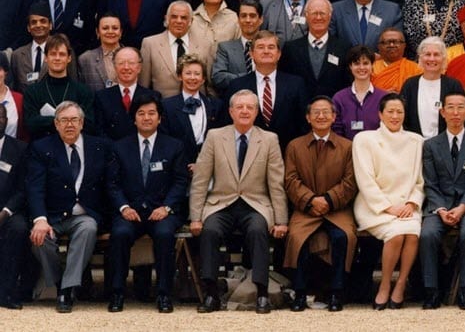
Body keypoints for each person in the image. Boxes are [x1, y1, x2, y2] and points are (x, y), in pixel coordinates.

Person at [189, 89, 288, 314]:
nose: (245, 111)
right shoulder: (215, 136)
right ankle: (211, 294)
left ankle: (262, 293)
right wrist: (195, 217)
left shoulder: (269, 139)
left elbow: (276, 184)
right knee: (210, 231)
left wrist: (281, 220)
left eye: (250, 107)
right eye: (240, 107)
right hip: (221, 203)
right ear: (231, 111)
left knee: (257, 230)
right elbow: (201, 180)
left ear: (256, 111)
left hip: (255, 204)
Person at [27, 101, 114, 313]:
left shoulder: (100, 147)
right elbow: (35, 187)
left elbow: (110, 185)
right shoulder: (42, 148)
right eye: (64, 120)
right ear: (56, 124)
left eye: (74, 120)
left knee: (88, 229)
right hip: (53, 215)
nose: (69, 125)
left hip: (85, 215)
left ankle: (66, 290)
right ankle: (60, 283)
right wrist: (40, 220)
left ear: (82, 123)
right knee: (39, 239)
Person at [105, 95, 188, 313]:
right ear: (134, 119)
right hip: (130, 211)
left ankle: (163, 294)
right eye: (141, 114)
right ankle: (117, 293)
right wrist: (124, 207)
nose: (146, 118)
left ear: (160, 118)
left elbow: (181, 181)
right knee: (120, 234)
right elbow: (112, 183)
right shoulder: (119, 147)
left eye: (152, 113)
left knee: (164, 235)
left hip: (161, 211)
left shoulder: (174, 146)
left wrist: (167, 207)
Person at [283, 96, 357, 312]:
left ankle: (336, 292)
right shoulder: (295, 146)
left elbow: (350, 182)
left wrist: (328, 200)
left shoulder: (347, 147)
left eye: (326, 112)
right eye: (316, 112)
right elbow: (290, 180)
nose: (321, 116)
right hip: (306, 208)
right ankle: (300, 292)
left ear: (334, 117)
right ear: (308, 117)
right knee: (298, 238)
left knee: (342, 237)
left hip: (337, 209)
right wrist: (311, 200)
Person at [352, 92, 424, 309]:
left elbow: (420, 181)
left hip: (406, 205)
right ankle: (384, 285)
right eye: (390, 112)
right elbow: (365, 179)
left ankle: (400, 284)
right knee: (395, 234)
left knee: (412, 233)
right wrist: (387, 207)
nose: (395, 116)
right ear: (380, 114)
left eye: (399, 112)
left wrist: (411, 203)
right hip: (373, 205)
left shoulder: (416, 141)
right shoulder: (364, 139)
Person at [419, 92, 465, 309]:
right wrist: (440, 209)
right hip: (439, 205)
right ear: (442, 112)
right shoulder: (431, 145)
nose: (455, 113)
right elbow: (430, 183)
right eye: (450, 107)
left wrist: (462, 208)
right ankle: (431, 291)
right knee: (428, 234)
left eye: (461, 107)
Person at [21, 34, 93, 140]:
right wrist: (67, 120)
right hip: (44, 147)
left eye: (62, 54)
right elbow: (31, 124)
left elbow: (89, 124)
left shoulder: (83, 91)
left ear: (69, 58)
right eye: (53, 54)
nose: (57, 58)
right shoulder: (32, 91)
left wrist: (47, 121)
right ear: (46, 58)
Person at [139, 0, 215, 96]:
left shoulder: (206, 45)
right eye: (174, 17)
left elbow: (210, 85)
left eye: (183, 18)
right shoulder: (150, 44)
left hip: (196, 106)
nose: (179, 21)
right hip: (163, 107)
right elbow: (144, 84)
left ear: (191, 21)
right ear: (167, 19)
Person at [161, 54, 223, 165]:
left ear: (203, 79)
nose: (192, 78)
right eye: (188, 73)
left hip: (208, 166)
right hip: (178, 167)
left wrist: (202, 164)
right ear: (180, 76)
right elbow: (165, 141)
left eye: (197, 74)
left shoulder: (215, 105)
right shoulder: (167, 105)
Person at [0, 103, 27, 310]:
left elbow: (23, 187)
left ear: (7, 121)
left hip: (10, 210)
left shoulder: (19, 148)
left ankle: (7, 293)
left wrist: (6, 211)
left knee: (19, 229)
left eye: (0, 117)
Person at [331, 45, 383, 140]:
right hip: (347, 152)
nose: (361, 67)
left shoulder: (383, 97)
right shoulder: (339, 98)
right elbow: (336, 131)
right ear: (350, 66)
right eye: (357, 63)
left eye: (366, 63)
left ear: (372, 65)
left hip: (376, 152)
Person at [211, 0, 263, 93]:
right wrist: (250, 78)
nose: (248, 20)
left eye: (252, 16)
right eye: (243, 16)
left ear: (260, 20)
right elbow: (218, 77)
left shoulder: (270, 47)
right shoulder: (225, 48)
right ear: (238, 20)